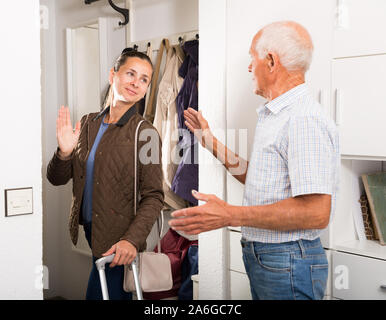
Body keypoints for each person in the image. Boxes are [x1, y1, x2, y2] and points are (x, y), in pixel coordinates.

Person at [169, 21, 340, 300]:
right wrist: (209, 141)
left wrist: (230, 214)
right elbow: (260, 179)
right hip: (273, 260)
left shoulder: (303, 119)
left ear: (271, 61)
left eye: (253, 58)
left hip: (288, 262)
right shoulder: (277, 115)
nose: (249, 67)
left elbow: (316, 212)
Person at [47, 50, 164, 300]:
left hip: (119, 240)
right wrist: (65, 152)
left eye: (144, 79)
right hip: (92, 230)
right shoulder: (87, 124)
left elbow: (154, 195)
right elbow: (56, 178)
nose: (136, 83)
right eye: (130, 74)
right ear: (113, 75)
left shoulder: (147, 134)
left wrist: (131, 240)